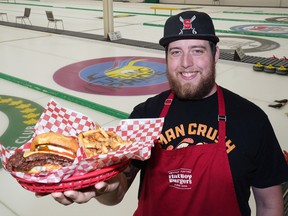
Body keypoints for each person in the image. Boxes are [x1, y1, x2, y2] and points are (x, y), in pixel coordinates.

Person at [43, 11, 288, 216]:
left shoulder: (251, 119)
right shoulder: (146, 115)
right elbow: (116, 193)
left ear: (215, 54)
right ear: (166, 58)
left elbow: (269, 203)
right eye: (176, 51)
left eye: (198, 50)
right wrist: (103, 188)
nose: (186, 63)